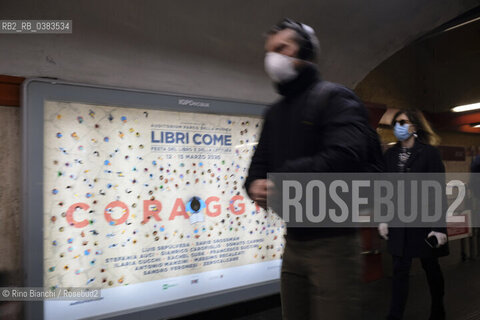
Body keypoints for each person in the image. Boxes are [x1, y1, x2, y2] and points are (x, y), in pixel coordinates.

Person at [245, 18, 380, 319]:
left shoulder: (336, 98)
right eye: (270, 51)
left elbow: (346, 155)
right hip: (293, 244)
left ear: (304, 51)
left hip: (334, 244)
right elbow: (258, 165)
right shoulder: (274, 113)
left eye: (282, 47)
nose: (273, 58)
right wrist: (255, 185)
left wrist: (285, 179)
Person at [378, 109, 449, 320]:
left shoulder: (429, 153)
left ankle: (438, 308)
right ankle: (395, 315)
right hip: (400, 223)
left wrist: (438, 227)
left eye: (402, 122)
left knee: (431, 266)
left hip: (425, 222)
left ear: (414, 127)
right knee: (400, 270)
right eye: (395, 124)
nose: (398, 127)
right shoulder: (389, 155)